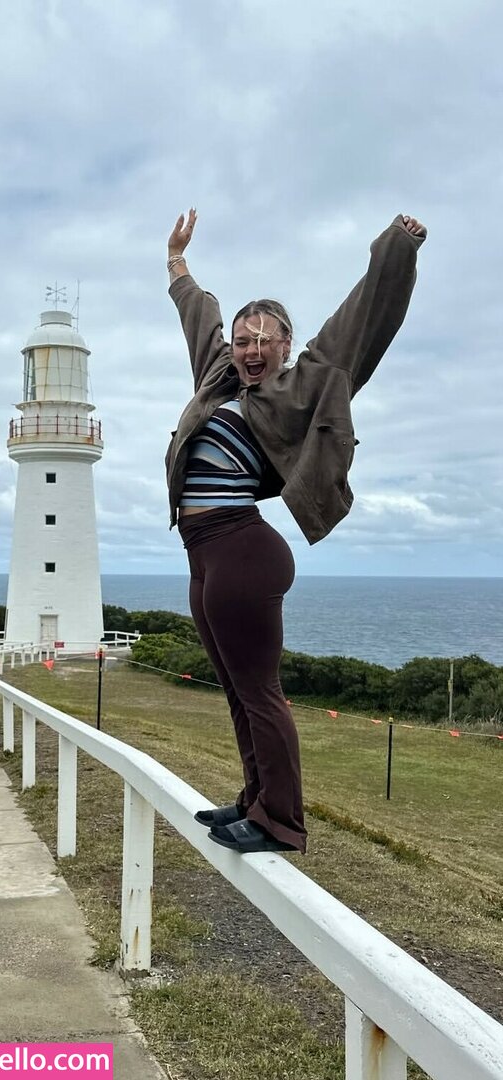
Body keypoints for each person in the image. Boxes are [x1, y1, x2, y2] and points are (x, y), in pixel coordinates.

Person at [165, 208, 427, 854]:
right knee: (236, 690)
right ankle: (254, 798)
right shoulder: (218, 380)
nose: (252, 350)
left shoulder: (303, 386)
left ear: (286, 346)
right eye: (243, 340)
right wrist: (177, 263)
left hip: (242, 550)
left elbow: (359, 325)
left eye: (266, 340)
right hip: (203, 554)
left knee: (260, 691)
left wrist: (396, 248)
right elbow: (200, 319)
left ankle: (279, 821)